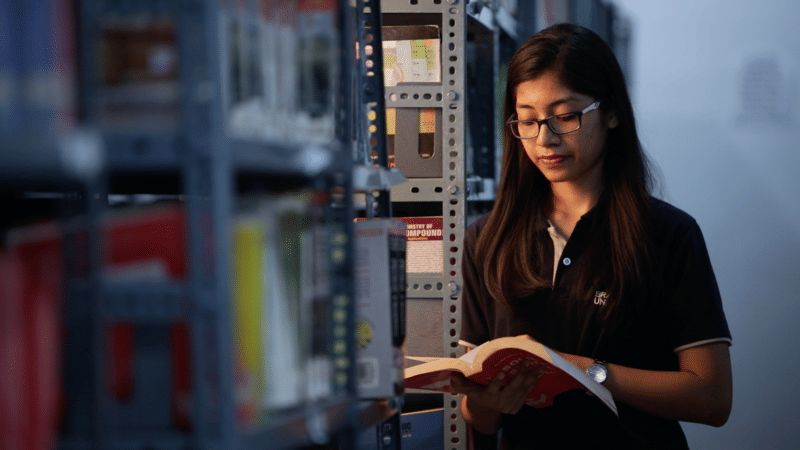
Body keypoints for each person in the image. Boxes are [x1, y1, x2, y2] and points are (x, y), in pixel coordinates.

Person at [450, 23, 732, 449]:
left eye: (565, 116)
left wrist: (579, 369)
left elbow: (712, 398)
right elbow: (480, 421)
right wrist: (488, 401)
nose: (545, 139)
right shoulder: (486, 238)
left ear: (612, 111)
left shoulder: (669, 235)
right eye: (527, 121)